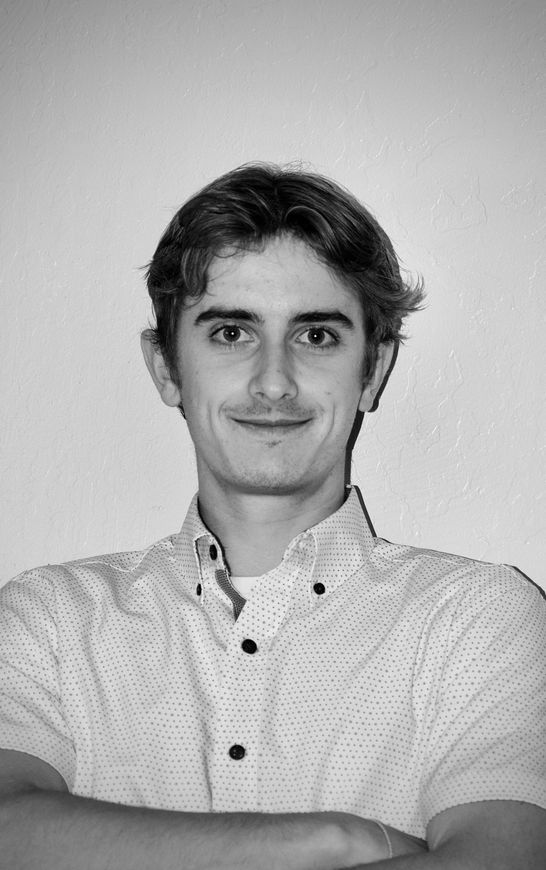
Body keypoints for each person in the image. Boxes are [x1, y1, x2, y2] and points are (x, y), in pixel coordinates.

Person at [1, 164, 545, 870]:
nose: (274, 381)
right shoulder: (47, 618)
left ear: (373, 370)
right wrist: (334, 840)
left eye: (316, 336)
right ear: (166, 367)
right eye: (231, 333)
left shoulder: (479, 617)